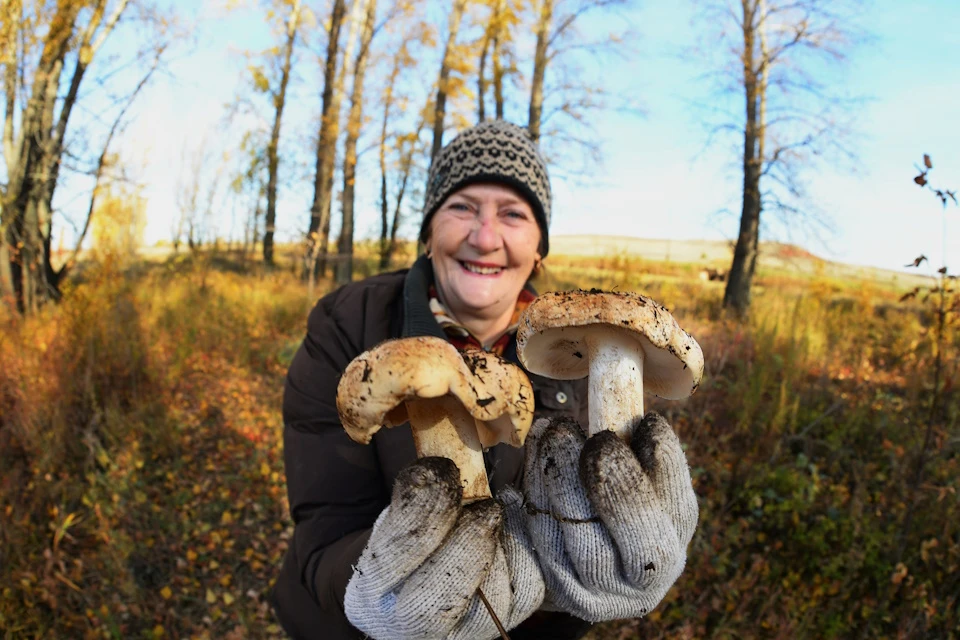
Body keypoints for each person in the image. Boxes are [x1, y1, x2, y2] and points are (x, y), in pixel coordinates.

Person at [270, 120, 699, 639]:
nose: (485, 236)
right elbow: (325, 525)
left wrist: (579, 590)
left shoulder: (577, 348)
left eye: (513, 214)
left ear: (539, 247)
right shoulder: (348, 326)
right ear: (429, 232)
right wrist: (369, 586)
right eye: (462, 207)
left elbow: (577, 533)